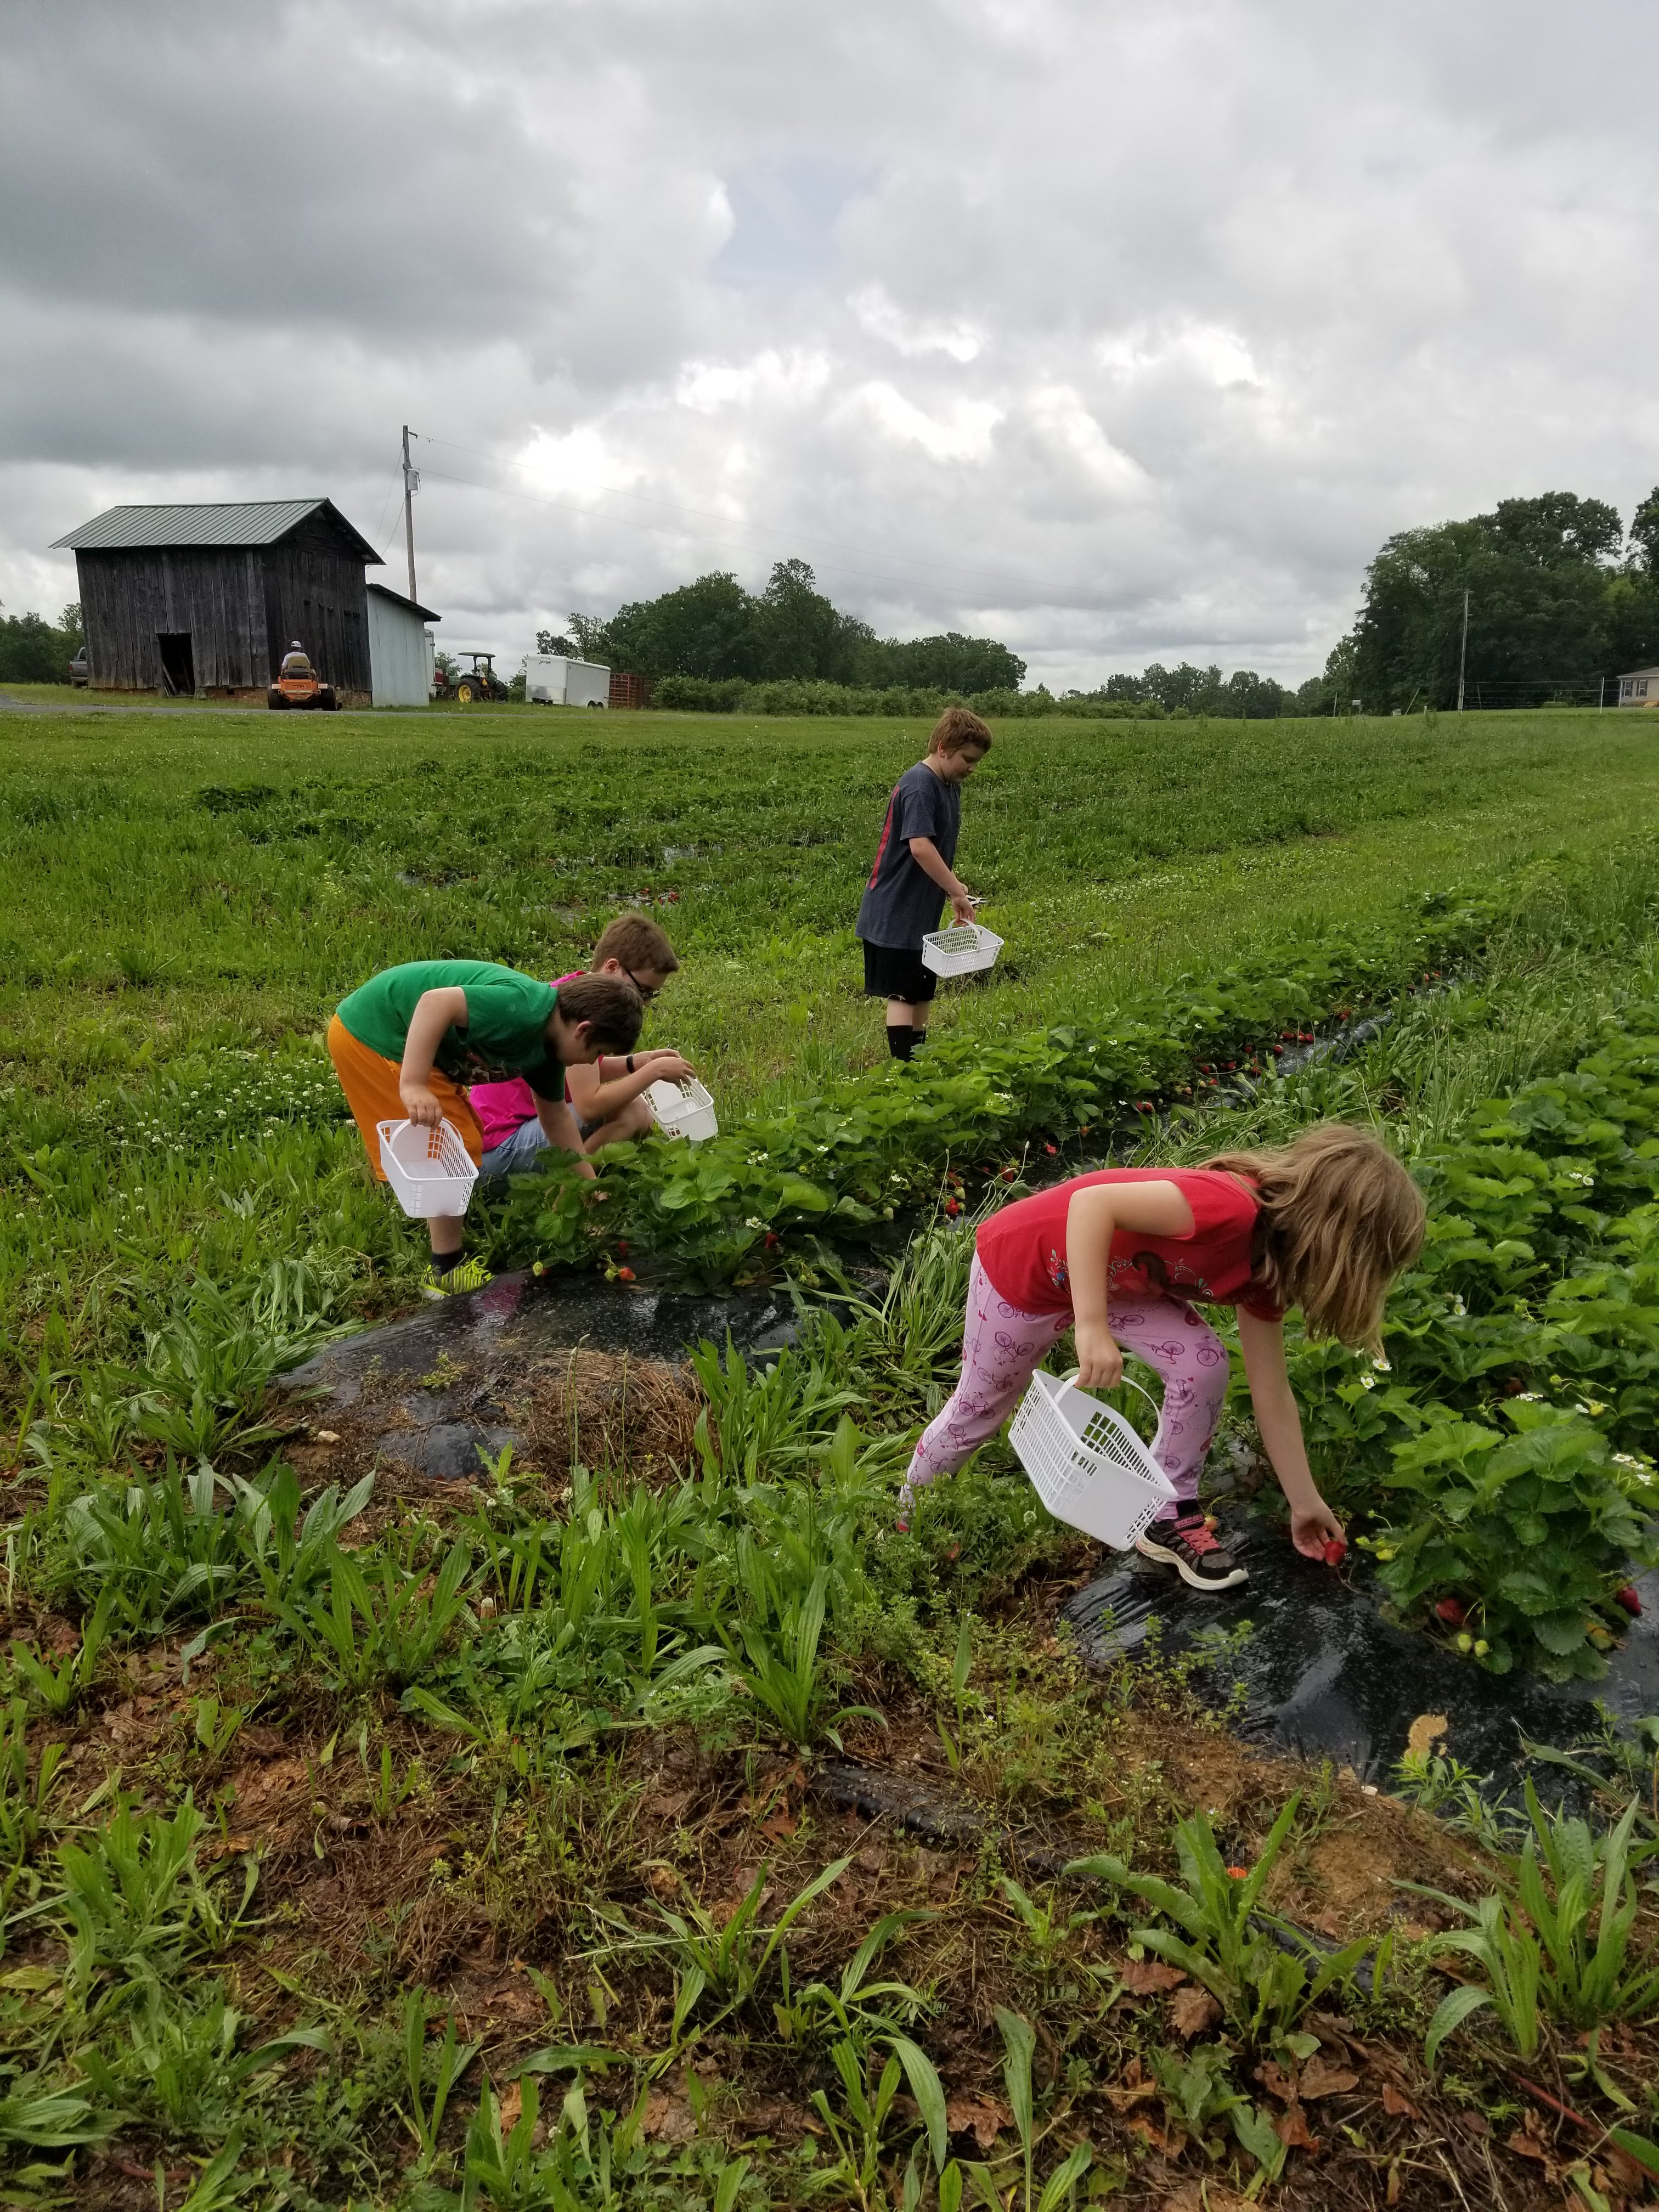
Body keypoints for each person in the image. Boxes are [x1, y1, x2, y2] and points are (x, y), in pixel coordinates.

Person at [899, 1126, 1426, 1589]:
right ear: (1341, 1246)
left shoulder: (1265, 1275)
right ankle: (905, 1523)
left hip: (1119, 1284)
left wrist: (1304, 1500)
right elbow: (1092, 1206)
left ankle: (1168, 1511)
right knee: (979, 1411)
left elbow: (1272, 1392)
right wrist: (1091, 1326)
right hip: (1023, 1272)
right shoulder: (1228, 1208)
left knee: (1203, 1363)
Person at [328, 960, 642, 1296]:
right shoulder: (522, 1011)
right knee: (448, 1146)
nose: (590, 1064)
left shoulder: (549, 1051)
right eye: (596, 1053)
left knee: (461, 1142)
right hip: (376, 1032)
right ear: (582, 1029)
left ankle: (443, 1247)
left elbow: (556, 1117)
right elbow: (436, 1002)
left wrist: (589, 1184)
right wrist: (415, 1085)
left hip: (407, 1044)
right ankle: (445, 1272)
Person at [469, 917, 695, 1175]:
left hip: (497, 1138)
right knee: (634, 1113)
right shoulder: (581, 1016)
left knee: (634, 1110)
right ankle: (569, 1191)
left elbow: (580, 1070)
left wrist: (635, 1063)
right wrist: (653, 1073)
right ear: (612, 967)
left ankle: (577, 1179)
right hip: (496, 1152)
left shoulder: (576, 992)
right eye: (644, 991)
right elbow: (589, 1106)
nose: (646, 1003)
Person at [856, 707, 991, 1061]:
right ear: (943, 748)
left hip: (919, 909)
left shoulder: (949, 784)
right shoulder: (920, 784)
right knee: (903, 993)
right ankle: (904, 1072)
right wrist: (955, 889)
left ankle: (920, 1063)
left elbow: (938, 853)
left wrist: (955, 889)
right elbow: (920, 847)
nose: (972, 767)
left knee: (923, 987)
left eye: (977, 761)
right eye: (967, 758)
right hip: (895, 908)